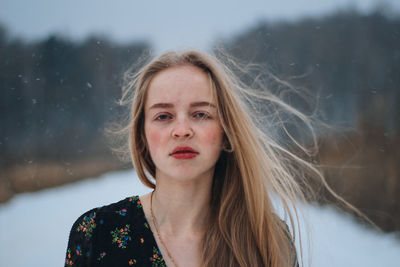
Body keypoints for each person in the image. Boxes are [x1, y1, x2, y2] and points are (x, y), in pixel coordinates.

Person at [65, 50, 313, 267]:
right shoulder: (97, 234)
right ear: (142, 135)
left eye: (201, 114)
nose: (182, 130)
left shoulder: (267, 238)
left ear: (226, 134)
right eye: (163, 116)